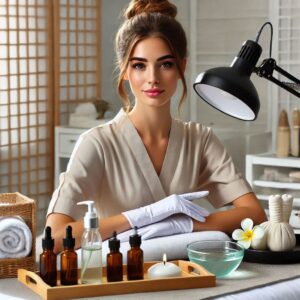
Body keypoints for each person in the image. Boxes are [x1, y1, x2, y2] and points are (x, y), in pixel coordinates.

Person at [46, 0, 267, 253]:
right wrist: (140, 217)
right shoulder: (97, 144)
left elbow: (254, 214)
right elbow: (56, 236)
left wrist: (182, 224)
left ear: (182, 67)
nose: (153, 78)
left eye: (166, 64)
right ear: (125, 70)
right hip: (123, 279)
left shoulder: (200, 140)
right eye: (139, 65)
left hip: (187, 273)